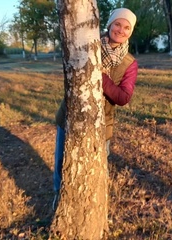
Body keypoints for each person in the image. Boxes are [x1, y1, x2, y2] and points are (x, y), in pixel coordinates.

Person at [52, 8, 138, 211]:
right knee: (61, 163)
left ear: (130, 32)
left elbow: (123, 97)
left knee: (98, 167)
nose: (121, 30)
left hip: (102, 124)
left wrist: (100, 75)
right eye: (118, 24)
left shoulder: (130, 63)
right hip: (70, 116)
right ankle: (59, 200)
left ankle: (97, 207)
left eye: (127, 27)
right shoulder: (88, 47)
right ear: (109, 24)